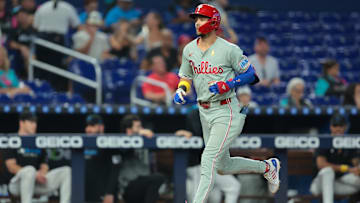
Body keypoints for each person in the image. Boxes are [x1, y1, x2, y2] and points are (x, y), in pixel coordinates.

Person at [173, 4, 280, 202]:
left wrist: (228, 84)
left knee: (207, 159)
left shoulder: (229, 49)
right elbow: (186, 77)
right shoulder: (189, 49)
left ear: (213, 21)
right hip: (204, 111)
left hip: (226, 109)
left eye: (202, 18)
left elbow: (251, 75)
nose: (197, 22)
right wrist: (181, 89)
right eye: (196, 19)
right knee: (222, 166)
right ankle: (267, 167)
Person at [2, 112, 71, 203]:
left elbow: (44, 164)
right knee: (29, 170)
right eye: (31, 122)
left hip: (36, 183)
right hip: (16, 184)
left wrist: (41, 173)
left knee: (66, 171)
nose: (34, 125)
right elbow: (11, 167)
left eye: (35, 123)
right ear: (21, 123)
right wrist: (34, 174)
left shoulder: (38, 141)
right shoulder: (12, 140)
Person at [176, 108, 241, 203]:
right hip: (197, 165)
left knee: (228, 189)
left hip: (212, 165)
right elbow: (198, 133)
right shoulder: (195, 113)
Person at [310, 113, 360, 203]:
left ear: (345, 127)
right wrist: (345, 168)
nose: (337, 129)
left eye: (340, 126)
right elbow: (321, 165)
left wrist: (357, 168)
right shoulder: (324, 140)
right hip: (319, 184)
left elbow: (355, 162)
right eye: (335, 125)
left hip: (337, 183)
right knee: (328, 171)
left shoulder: (348, 143)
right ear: (330, 127)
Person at [33, 0, 80, 92]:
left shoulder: (42, 7)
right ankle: (52, 91)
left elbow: (35, 26)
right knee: (54, 68)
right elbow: (76, 25)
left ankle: (44, 91)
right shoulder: (68, 7)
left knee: (46, 69)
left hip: (43, 39)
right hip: (56, 40)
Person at [118, 114, 166, 203]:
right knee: (158, 178)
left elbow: (163, 144)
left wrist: (178, 135)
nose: (142, 129)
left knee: (157, 180)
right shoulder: (121, 142)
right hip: (129, 187)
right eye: (138, 127)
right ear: (129, 130)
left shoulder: (145, 140)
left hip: (144, 185)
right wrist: (136, 135)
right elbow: (123, 150)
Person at [84, 114, 121, 203]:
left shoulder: (111, 145)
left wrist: (109, 193)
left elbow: (115, 171)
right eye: (87, 126)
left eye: (92, 126)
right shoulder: (82, 145)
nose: (88, 129)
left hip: (104, 194)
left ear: (101, 128)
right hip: (86, 194)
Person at [8, 7, 35, 78]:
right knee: (27, 54)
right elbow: (10, 43)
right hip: (22, 55)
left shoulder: (35, 28)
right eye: (18, 16)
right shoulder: (15, 30)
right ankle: (31, 78)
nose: (21, 17)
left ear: (28, 15)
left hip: (36, 52)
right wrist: (21, 47)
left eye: (23, 14)